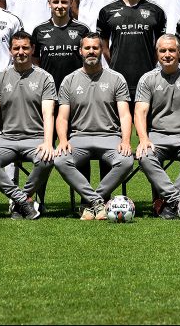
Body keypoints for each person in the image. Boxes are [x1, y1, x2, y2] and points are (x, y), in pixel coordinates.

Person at [53, 33, 134, 221]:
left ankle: (90, 202)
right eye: (87, 48)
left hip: (110, 137)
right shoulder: (69, 80)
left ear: (101, 50)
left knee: (126, 161)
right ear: (80, 51)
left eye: (95, 48)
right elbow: (62, 118)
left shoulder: (116, 78)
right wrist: (63, 140)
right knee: (60, 160)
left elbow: (124, 114)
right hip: (79, 138)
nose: (91, 51)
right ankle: (98, 202)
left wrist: (126, 140)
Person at [0, 31, 56, 220]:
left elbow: (48, 113)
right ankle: (23, 201)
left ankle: (20, 201)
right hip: (7, 139)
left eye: (25, 48)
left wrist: (47, 142)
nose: (21, 52)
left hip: (35, 139)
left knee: (47, 159)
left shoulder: (45, 77)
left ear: (32, 49)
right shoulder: (0, 77)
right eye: (16, 48)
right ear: (10, 50)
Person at [134, 34, 180, 220]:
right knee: (144, 155)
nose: (167, 54)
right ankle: (177, 201)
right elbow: (140, 112)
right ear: (157, 53)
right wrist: (144, 139)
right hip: (157, 136)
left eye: (172, 50)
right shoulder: (147, 79)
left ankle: (166, 202)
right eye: (163, 50)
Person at [96, 0, 167, 103]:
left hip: (148, 78)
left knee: (146, 124)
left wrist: (150, 64)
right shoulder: (107, 11)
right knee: (120, 123)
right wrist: (115, 62)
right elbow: (102, 44)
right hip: (117, 79)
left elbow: (160, 46)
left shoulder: (156, 11)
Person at [31, 0, 89, 95]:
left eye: (64, 2)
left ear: (71, 3)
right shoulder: (39, 30)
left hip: (77, 90)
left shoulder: (82, 29)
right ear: (49, 3)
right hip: (48, 91)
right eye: (56, 2)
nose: (59, 6)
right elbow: (35, 62)